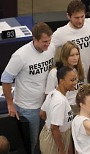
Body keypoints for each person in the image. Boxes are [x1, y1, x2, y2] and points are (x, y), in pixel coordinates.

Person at [1, 22, 56, 154]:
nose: (47, 44)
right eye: (44, 42)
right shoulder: (20, 56)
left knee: (45, 139)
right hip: (28, 107)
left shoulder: (51, 48)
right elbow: (6, 79)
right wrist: (9, 103)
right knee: (33, 142)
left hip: (46, 103)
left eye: (49, 40)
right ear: (34, 39)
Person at [51, 0, 90, 76]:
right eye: (76, 18)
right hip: (75, 77)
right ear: (68, 16)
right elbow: (47, 50)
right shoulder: (60, 33)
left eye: (82, 16)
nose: (80, 21)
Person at [39, 66, 77, 154]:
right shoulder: (59, 101)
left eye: (75, 79)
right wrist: (61, 149)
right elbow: (54, 128)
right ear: (61, 80)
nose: (75, 83)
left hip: (56, 135)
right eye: (72, 80)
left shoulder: (52, 93)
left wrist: (50, 121)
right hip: (55, 140)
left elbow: (42, 114)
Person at [45, 41, 85, 114]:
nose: (75, 58)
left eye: (77, 54)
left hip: (79, 107)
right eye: (72, 55)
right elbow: (49, 96)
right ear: (65, 56)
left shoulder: (79, 68)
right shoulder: (54, 72)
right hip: (63, 108)